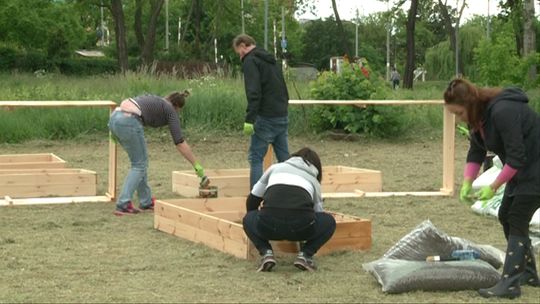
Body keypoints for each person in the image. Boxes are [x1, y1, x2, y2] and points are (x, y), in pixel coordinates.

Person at [444, 78, 540, 299]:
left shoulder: (503, 111)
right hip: (523, 170)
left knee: (517, 216)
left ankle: (510, 284)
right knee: (505, 214)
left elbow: (516, 156)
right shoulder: (478, 120)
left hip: (534, 168)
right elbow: (476, 151)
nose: (459, 118)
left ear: (470, 104)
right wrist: (467, 181)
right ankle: (527, 273)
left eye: (459, 113)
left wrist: (494, 186)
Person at [108, 91, 208, 216]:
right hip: (129, 122)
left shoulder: (158, 102)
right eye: (179, 111)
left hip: (114, 118)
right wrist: (196, 164)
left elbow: (127, 107)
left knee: (139, 164)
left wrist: (114, 131)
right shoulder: (170, 110)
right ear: (177, 106)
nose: (177, 113)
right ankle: (123, 204)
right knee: (139, 165)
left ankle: (146, 201)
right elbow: (179, 142)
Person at [242, 147, 336, 272]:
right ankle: (305, 255)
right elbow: (317, 213)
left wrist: (256, 224)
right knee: (329, 222)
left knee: (248, 218)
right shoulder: (313, 181)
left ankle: (266, 252)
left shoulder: (275, 168)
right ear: (316, 167)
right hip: (300, 228)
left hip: (268, 225)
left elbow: (252, 199)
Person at [232, 34, 290, 189]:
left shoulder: (251, 61)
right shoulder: (270, 59)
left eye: (239, 52)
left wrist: (249, 119)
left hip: (265, 117)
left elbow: (254, 93)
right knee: (285, 159)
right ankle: (293, 192)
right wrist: (284, 107)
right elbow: (283, 86)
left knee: (256, 158)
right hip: (281, 114)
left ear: (243, 45)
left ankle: (255, 197)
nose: (240, 56)